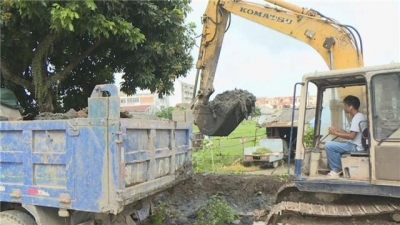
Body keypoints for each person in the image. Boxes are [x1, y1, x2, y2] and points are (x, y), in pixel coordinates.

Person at [325, 95, 367, 177]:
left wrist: (335, 133)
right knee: (335, 145)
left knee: (329, 145)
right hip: (356, 144)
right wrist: (337, 131)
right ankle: (340, 167)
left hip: (355, 146)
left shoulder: (357, 118)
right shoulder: (360, 116)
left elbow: (351, 136)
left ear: (350, 107)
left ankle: (336, 169)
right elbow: (353, 134)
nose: (344, 107)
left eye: (345, 105)